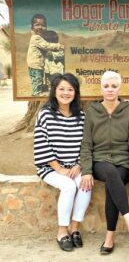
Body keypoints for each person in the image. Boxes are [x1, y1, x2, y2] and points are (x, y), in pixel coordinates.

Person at [79, 71, 129, 255]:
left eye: (114, 86)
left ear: (119, 88)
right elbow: (86, 144)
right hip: (100, 161)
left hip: (123, 161)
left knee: (112, 184)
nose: (110, 89)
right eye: (106, 86)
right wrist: (86, 170)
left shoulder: (128, 110)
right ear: (101, 88)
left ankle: (110, 237)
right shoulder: (92, 111)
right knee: (111, 174)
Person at [34, 73, 91, 252]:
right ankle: (62, 231)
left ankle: (74, 229)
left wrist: (78, 165)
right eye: (62, 89)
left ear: (75, 92)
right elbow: (41, 144)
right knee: (69, 186)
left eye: (70, 89)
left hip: (74, 165)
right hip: (50, 166)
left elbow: (86, 144)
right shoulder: (45, 114)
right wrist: (60, 169)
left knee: (85, 183)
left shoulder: (80, 115)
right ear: (54, 91)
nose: (66, 93)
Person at [27, 14, 64, 96]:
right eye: (37, 25)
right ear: (32, 27)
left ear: (46, 27)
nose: (40, 27)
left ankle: (39, 92)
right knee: (37, 80)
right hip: (35, 65)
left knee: (40, 80)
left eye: (43, 25)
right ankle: (36, 94)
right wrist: (59, 46)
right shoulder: (36, 37)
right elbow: (46, 45)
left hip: (39, 65)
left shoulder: (38, 37)